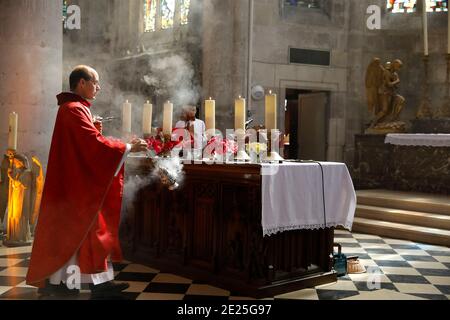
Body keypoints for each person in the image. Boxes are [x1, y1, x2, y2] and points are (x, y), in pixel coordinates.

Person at [26, 65, 148, 297]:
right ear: (81, 83)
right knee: (87, 229)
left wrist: (95, 128)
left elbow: (86, 143)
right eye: (95, 82)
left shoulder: (74, 108)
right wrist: (129, 147)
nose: (98, 87)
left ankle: (70, 282)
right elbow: (93, 145)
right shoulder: (73, 109)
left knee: (79, 232)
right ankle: (91, 285)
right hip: (75, 186)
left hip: (73, 182)